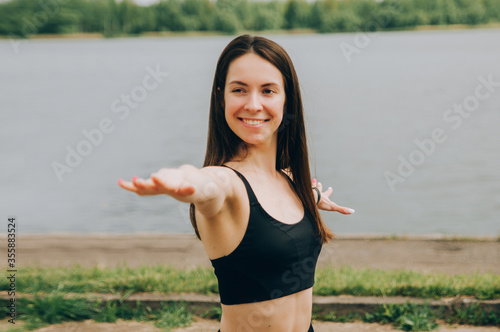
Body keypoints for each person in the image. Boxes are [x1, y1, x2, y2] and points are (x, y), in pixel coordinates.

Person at [118, 34, 354, 332]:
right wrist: (184, 179)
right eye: (239, 90)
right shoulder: (226, 184)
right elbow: (209, 186)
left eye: (268, 90)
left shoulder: (288, 180)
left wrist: (313, 195)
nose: (253, 104)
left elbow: (277, 206)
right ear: (222, 97)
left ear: (286, 98)